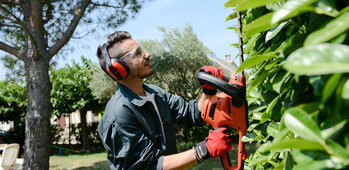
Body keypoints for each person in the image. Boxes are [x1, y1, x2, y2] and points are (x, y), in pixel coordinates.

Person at [96, 31, 232, 170]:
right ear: (119, 69)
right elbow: (148, 166)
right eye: (137, 53)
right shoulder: (119, 114)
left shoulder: (154, 93)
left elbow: (191, 113)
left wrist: (208, 91)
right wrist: (203, 150)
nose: (147, 54)